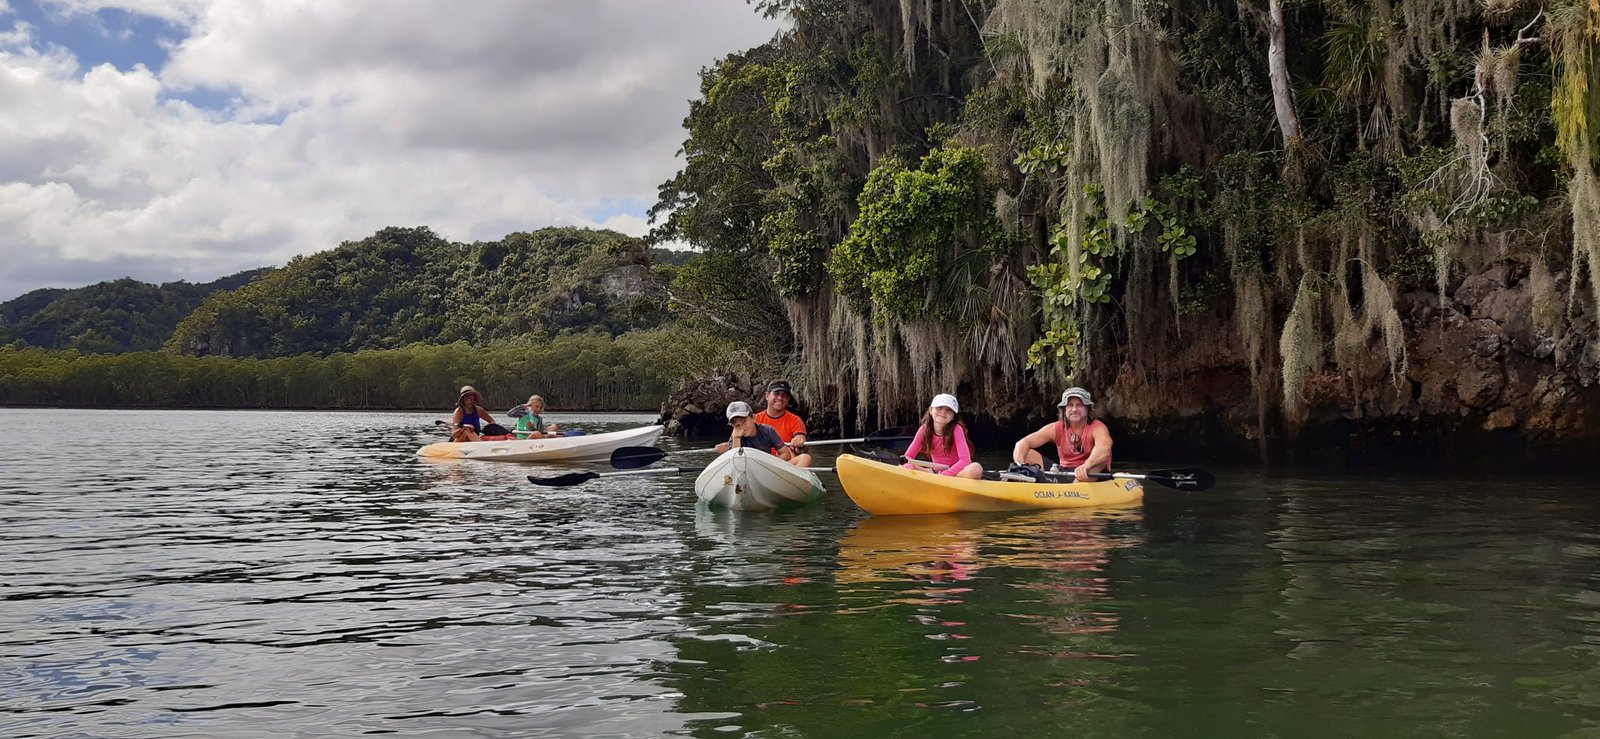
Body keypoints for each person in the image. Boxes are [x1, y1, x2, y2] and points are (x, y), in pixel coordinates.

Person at [1011, 387, 1112, 482]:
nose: (1074, 409)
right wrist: (1020, 466)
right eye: (1070, 405)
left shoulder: (1098, 427)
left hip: (1089, 472)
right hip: (1064, 471)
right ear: (1064, 409)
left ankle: (1075, 491)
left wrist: (1087, 465)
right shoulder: (1056, 428)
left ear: (1088, 409)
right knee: (1027, 453)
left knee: (1100, 463)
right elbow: (1023, 443)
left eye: (1080, 405)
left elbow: (1104, 449)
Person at [902, 393, 983, 479]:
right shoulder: (924, 430)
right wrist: (909, 466)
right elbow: (907, 457)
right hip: (935, 472)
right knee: (905, 464)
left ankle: (935, 476)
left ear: (953, 416)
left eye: (949, 410)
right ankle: (930, 474)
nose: (943, 412)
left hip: (957, 472)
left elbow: (965, 461)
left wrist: (942, 476)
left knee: (976, 469)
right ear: (930, 410)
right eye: (939, 407)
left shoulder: (957, 429)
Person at [751, 380, 813, 468]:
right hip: (760, 463)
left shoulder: (795, 420)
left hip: (785, 466)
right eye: (776, 393)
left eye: (784, 395)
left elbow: (800, 437)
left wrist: (798, 440)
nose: (780, 398)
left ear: (787, 399)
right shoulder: (755, 419)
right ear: (767, 396)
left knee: (805, 458)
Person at [714, 401, 789, 457]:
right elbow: (736, 462)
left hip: (766, 465)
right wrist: (736, 438)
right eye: (736, 425)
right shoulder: (734, 437)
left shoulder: (768, 431)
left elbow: (785, 453)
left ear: (753, 417)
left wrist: (772, 464)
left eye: (744, 421)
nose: (742, 427)